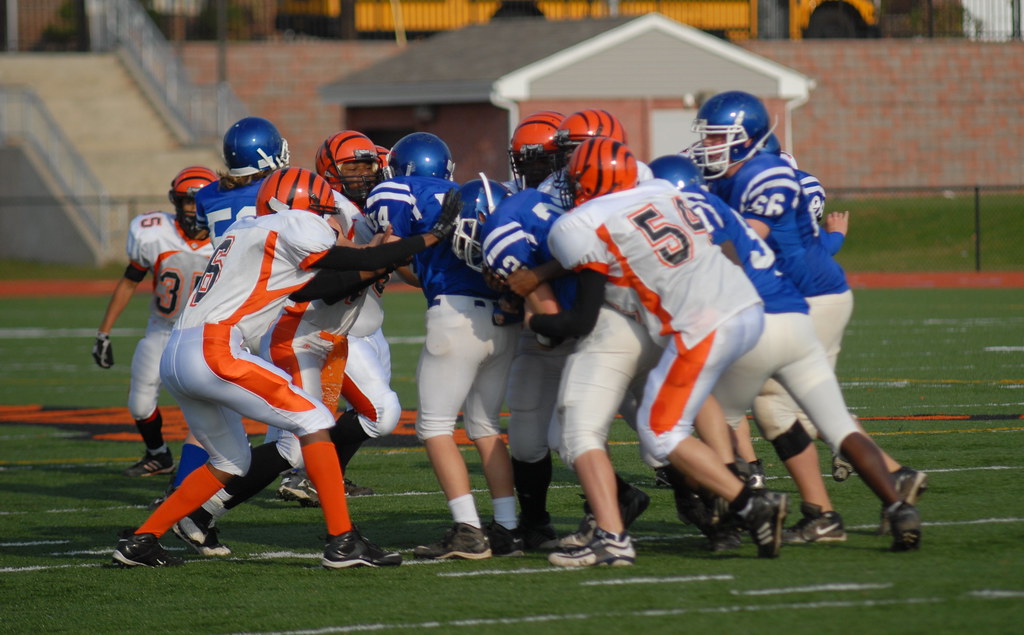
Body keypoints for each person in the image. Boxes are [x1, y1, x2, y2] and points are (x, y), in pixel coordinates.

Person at [111, 166, 462, 569]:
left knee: (230, 462)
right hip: (215, 347)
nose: (331, 220)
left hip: (178, 353)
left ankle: (141, 541)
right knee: (313, 418)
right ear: (301, 206)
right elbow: (345, 259)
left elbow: (321, 282)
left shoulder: (250, 231)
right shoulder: (293, 221)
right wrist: (431, 237)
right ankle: (343, 541)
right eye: (324, 211)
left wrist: (381, 253)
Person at [529, 137, 789, 566]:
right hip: (745, 305)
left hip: (700, 324)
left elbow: (581, 319)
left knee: (658, 431)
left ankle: (744, 502)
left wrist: (535, 319)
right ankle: (739, 492)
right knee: (675, 417)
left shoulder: (584, 222)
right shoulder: (665, 191)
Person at [652, 153, 923, 552]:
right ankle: (898, 507)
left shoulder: (684, 217)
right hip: (796, 317)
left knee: (711, 421)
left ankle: (735, 513)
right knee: (824, 421)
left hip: (760, 323)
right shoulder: (727, 207)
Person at [364, 132, 521, 560]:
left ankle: (468, 529)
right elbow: (419, 267)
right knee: (486, 427)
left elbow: (392, 253)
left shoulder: (398, 190)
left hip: (454, 317)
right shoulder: (466, 194)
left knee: (433, 427)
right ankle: (507, 529)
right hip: (503, 318)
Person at [93, 166, 217, 478]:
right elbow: (129, 281)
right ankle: (158, 454)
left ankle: (211, 465)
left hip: (207, 335)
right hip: (162, 329)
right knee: (139, 405)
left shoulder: (229, 234)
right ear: (174, 202)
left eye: (198, 201)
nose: (192, 209)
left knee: (210, 407)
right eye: (186, 201)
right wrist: (103, 333)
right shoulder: (155, 233)